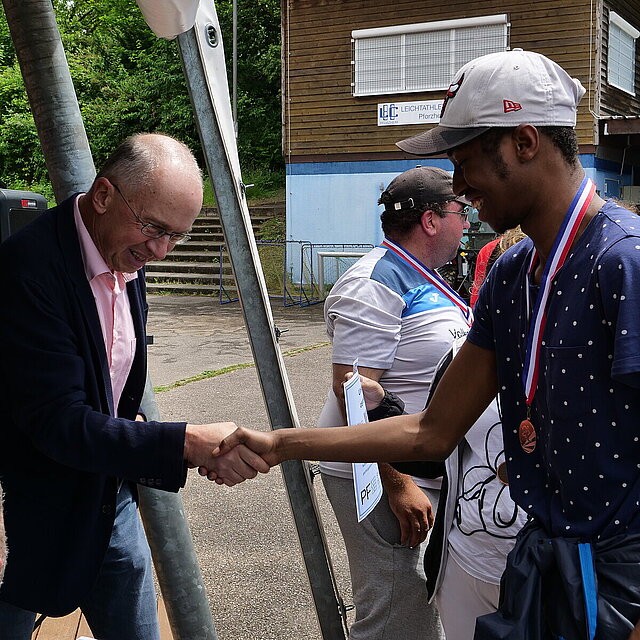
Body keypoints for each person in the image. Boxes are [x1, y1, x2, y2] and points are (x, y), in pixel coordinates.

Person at [212, 50, 640, 639]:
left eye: (466, 163)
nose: (460, 187)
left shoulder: (625, 262)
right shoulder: (513, 274)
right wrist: (283, 442)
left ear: (525, 140)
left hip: (622, 580)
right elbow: (432, 431)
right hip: (547, 566)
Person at [0, 133, 268, 640]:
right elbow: (57, 421)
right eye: (155, 228)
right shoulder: (27, 270)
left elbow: (112, 383)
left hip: (107, 493)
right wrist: (184, 442)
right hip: (30, 508)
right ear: (103, 195)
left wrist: (134, 433)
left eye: (178, 237)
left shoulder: (124, 248)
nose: (162, 251)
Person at [319, 165, 472, 640]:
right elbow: (353, 389)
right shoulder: (376, 281)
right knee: (394, 613)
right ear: (430, 220)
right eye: (460, 212)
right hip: (378, 472)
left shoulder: (419, 275)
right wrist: (397, 482)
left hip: (418, 467)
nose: (466, 222)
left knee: (419, 608)